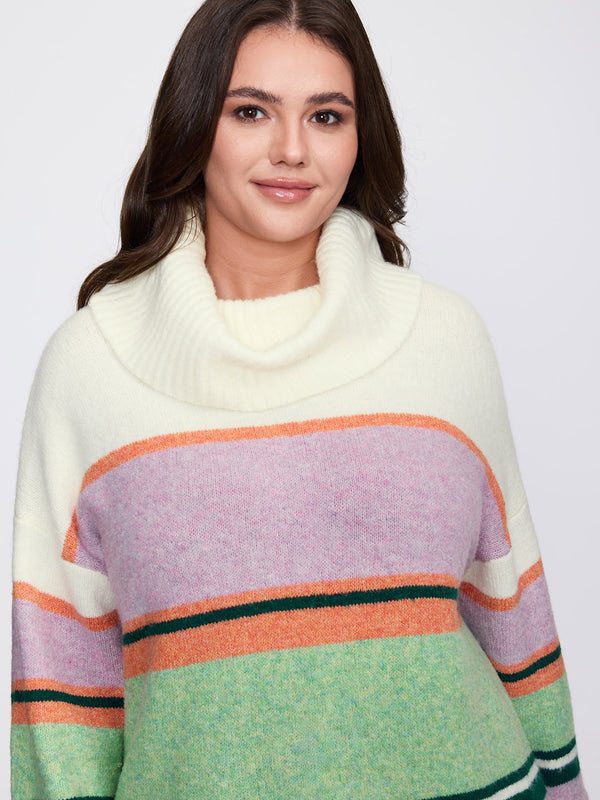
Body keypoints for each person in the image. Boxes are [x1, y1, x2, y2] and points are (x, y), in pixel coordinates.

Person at [10, 0, 588, 798]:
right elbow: (60, 692)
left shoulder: (444, 338)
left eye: (326, 116)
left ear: (360, 138)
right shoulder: (91, 366)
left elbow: (513, 607)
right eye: (251, 111)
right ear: (193, 126)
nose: (291, 150)